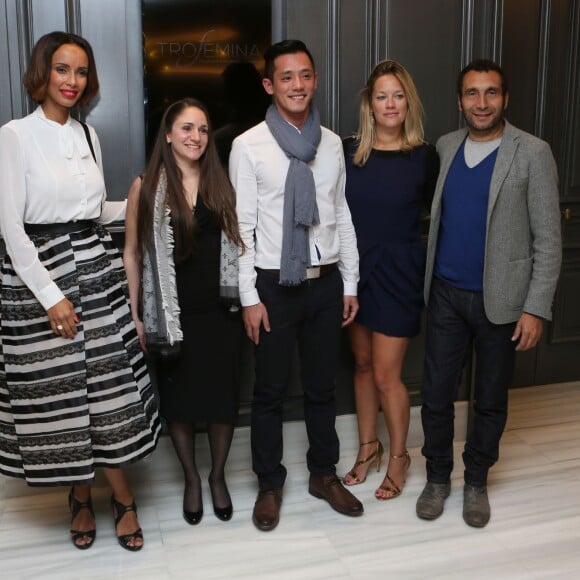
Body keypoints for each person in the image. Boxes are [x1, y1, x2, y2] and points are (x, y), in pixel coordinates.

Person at [0, 31, 160, 551]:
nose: (72, 81)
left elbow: (91, 213)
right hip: (39, 281)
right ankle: (82, 498)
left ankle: (121, 497)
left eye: (82, 71)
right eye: (62, 69)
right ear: (42, 72)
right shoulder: (14, 135)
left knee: (108, 391)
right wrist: (51, 296)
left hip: (97, 273)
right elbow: (11, 227)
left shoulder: (89, 136)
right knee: (66, 400)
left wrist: (138, 197)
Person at [416, 59, 562, 528]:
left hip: (502, 301)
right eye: (473, 94)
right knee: (436, 395)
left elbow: (548, 239)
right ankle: (438, 477)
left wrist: (535, 307)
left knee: (490, 398)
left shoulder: (533, 152)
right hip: (445, 294)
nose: (482, 103)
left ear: (506, 99)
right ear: (460, 100)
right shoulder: (446, 146)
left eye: (491, 93)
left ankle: (476, 479)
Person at [229, 39, 363, 531]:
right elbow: (241, 228)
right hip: (273, 286)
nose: (297, 85)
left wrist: (350, 282)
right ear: (270, 85)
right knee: (268, 392)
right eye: (286, 77)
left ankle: (323, 474)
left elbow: (341, 214)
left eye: (305, 75)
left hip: (325, 284)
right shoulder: (248, 146)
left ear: (315, 79)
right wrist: (248, 296)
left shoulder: (330, 143)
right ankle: (270, 483)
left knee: (323, 387)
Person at [123, 98, 243, 526]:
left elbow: (241, 243)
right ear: (169, 134)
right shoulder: (146, 186)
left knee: (221, 397)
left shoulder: (221, 180)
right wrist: (137, 313)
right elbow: (133, 253)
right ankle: (191, 479)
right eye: (187, 128)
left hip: (221, 309)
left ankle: (216, 477)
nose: (196, 137)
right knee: (178, 399)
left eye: (204, 129)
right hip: (172, 313)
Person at [342, 60, 439, 499]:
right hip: (355, 272)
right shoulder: (349, 152)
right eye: (382, 95)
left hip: (399, 273)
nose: (390, 104)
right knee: (361, 366)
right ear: (370, 103)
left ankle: (400, 456)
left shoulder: (425, 156)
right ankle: (368, 448)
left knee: (386, 375)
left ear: (409, 101)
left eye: (398, 95)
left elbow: (440, 219)